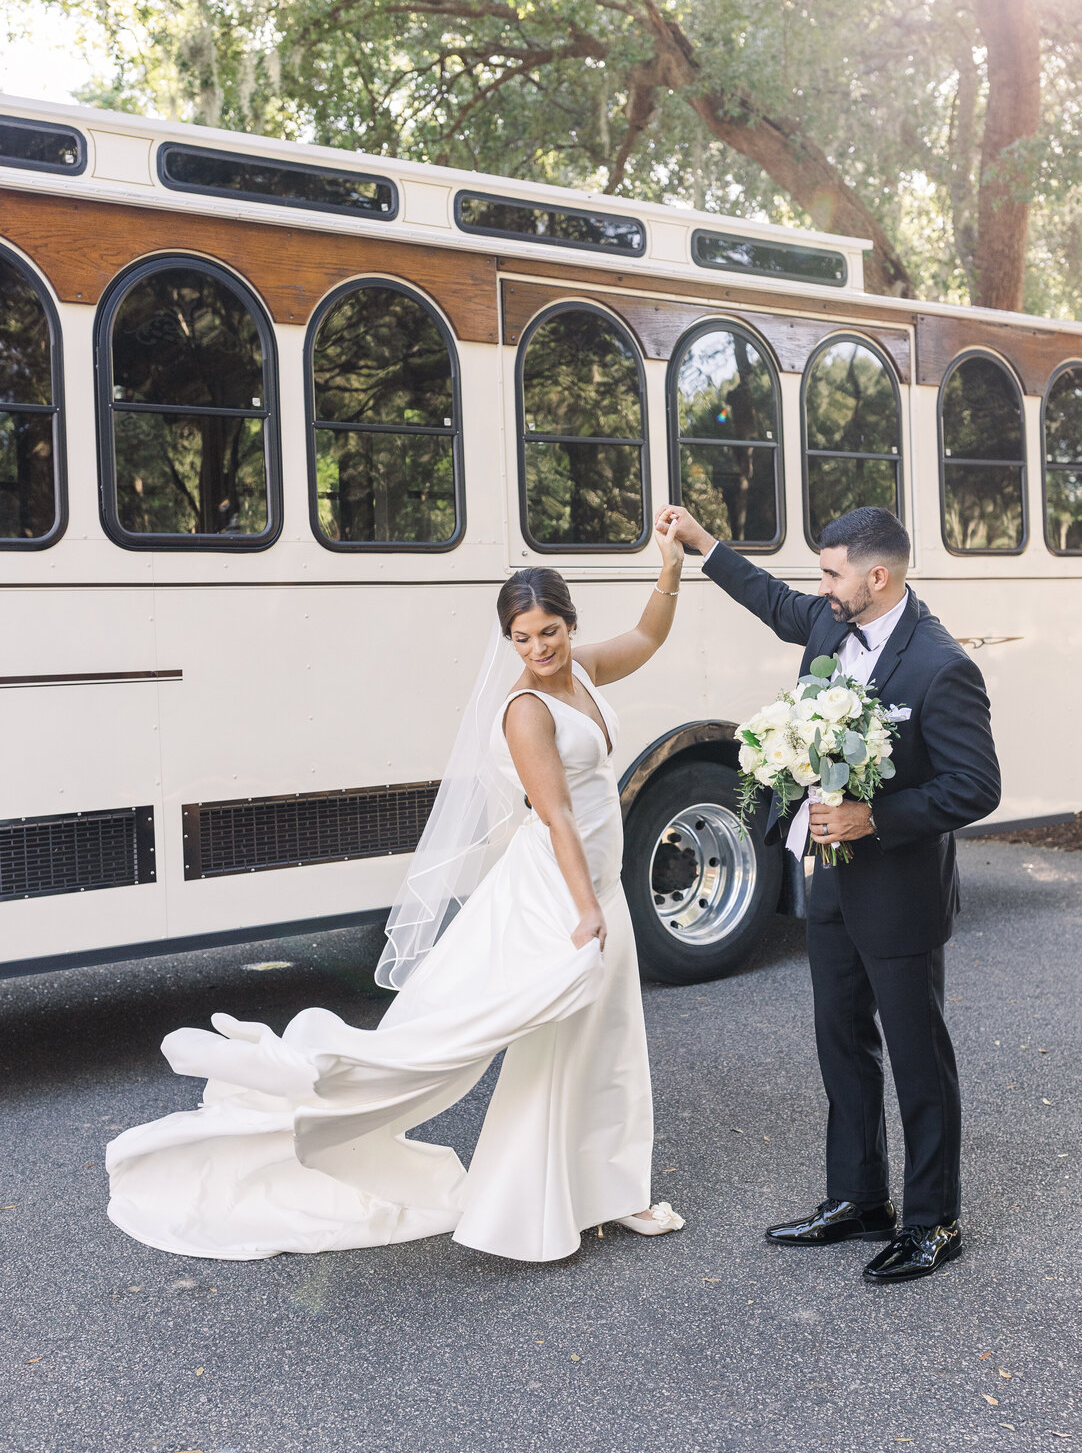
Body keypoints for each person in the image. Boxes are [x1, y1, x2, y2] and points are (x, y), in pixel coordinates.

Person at [107, 523, 688, 1264]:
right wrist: (584, 911)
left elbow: (647, 635)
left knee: (609, 1038)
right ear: (508, 640)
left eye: (549, 631)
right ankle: (531, 1203)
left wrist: (669, 569)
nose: (538, 648)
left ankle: (611, 1188)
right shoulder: (526, 711)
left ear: (570, 626)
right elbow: (559, 815)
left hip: (598, 883)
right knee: (550, 1039)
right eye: (521, 636)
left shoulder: (581, 674)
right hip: (560, 892)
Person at [656, 501, 1001, 1284]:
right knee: (841, 1045)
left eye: (830, 572)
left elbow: (976, 787)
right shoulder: (830, 625)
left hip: (900, 894)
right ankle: (857, 1200)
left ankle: (933, 1221)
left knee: (918, 1060)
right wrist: (704, 542)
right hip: (828, 884)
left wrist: (871, 816)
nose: (819, 586)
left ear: (876, 577)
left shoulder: (940, 665)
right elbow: (772, 601)